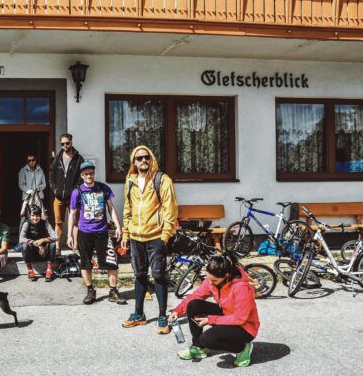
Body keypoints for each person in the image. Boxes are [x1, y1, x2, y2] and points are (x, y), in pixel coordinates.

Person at [121, 146, 178, 334]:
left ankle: (162, 316)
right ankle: (139, 314)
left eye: (146, 157)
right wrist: (126, 233)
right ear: (134, 162)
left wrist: (165, 235)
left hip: (156, 237)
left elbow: (170, 209)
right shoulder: (130, 181)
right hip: (136, 237)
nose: (143, 160)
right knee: (140, 275)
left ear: (151, 158)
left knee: (159, 275)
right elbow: (127, 208)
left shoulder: (162, 180)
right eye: (139, 158)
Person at [168, 255, 259, 367]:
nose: (210, 283)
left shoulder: (241, 287)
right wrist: (177, 311)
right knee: (194, 305)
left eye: (214, 280)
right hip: (227, 315)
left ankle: (242, 348)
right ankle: (198, 348)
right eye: (208, 278)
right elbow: (196, 296)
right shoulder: (213, 280)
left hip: (245, 327)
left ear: (226, 275)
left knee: (207, 339)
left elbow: (240, 318)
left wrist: (210, 320)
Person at [67, 161, 125, 305]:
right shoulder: (77, 192)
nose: (89, 176)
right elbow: (72, 214)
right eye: (86, 174)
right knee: (85, 263)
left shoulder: (103, 188)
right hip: (84, 232)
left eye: (91, 173)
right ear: (82, 175)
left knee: (111, 261)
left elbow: (111, 208)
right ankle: (90, 291)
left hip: (102, 231)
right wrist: (69, 235)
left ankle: (113, 291)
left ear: (94, 174)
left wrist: (118, 227)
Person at [49, 133, 84, 256]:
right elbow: (51, 174)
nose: (65, 146)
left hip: (73, 197)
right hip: (59, 197)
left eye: (67, 143)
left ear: (71, 143)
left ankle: (75, 247)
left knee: (75, 222)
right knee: (58, 223)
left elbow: (82, 177)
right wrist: (55, 189)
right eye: (62, 144)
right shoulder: (57, 158)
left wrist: (75, 191)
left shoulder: (79, 159)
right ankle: (57, 249)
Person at [19, 206, 57, 282]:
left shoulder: (45, 222)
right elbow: (21, 239)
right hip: (31, 252)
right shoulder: (26, 223)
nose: (35, 218)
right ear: (30, 215)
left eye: (37, 215)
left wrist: (43, 240)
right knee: (24, 245)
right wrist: (34, 242)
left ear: (40, 215)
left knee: (53, 244)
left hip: (44, 252)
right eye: (33, 215)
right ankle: (30, 270)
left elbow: (56, 237)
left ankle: (49, 270)